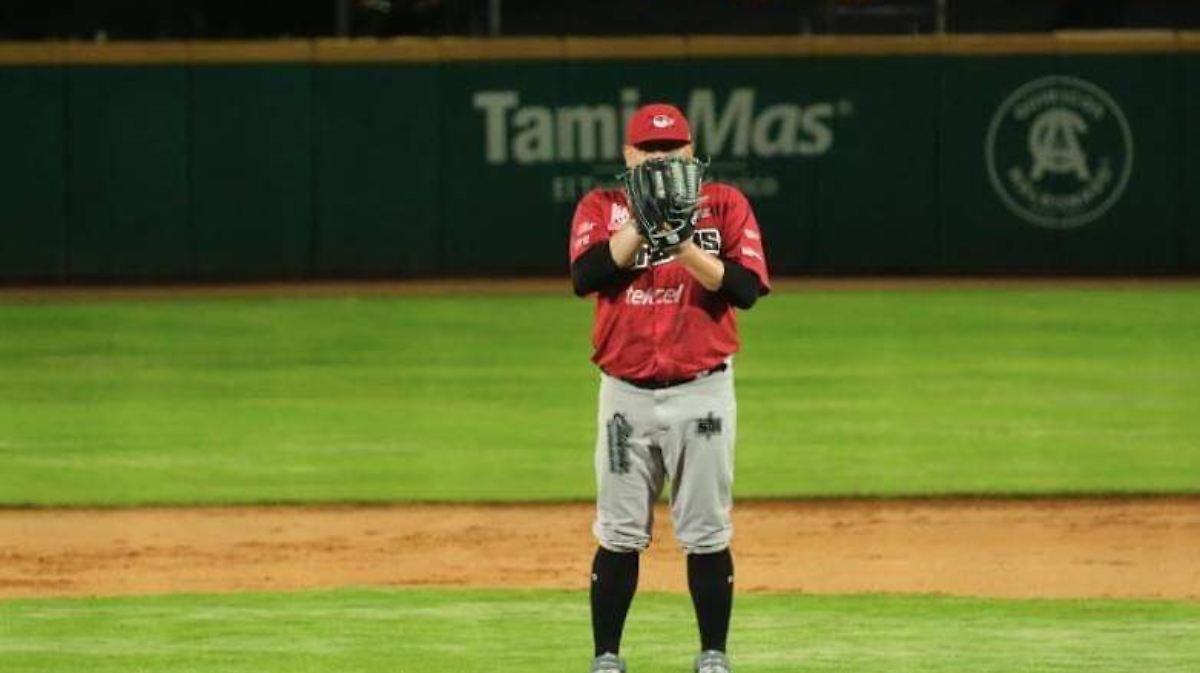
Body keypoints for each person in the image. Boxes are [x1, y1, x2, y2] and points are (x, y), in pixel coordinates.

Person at [568, 103, 771, 673]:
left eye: (671, 149)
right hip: (624, 399)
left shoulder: (726, 205)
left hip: (702, 394)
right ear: (628, 155)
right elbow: (586, 277)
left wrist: (683, 244)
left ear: (692, 151)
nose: (660, 158)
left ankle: (712, 655)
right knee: (619, 529)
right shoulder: (601, 207)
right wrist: (641, 227)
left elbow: (747, 289)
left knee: (706, 528)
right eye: (649, 150)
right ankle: (607, 657)